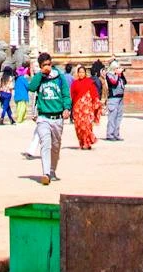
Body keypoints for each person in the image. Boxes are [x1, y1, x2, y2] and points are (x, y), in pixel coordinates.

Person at [27, 53, 70, 186]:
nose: (47, 67)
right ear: (40, 66)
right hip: (43, 117)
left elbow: (66, 94)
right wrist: (40, 74)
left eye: (49, 64)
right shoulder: (39, 78)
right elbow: (31, 87)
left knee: (55, 147)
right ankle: (46, 173)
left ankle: (52, 170)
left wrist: (67, 108)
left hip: (57, 117)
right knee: (45, 144)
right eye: (44, 65)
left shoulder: (59, 77)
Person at [71, 66, 101, 150]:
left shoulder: (89, 82)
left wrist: (97, 103)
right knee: (79, 126)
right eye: (79, 72)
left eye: (82, 72)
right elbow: (72, 95)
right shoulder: (75, 83)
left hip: (87, 109)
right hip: (77, 109)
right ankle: (82, 142)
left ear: (85, 73)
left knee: (86, 125)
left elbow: (94, 94)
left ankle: (87, 142)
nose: (81, 74)